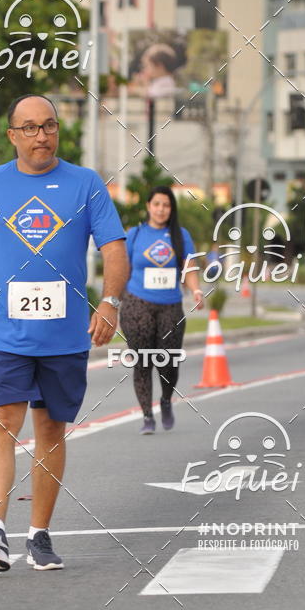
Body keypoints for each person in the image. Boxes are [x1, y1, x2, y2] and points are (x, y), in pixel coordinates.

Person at [0, 94, 128, 572]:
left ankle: (39, 533)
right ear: (12, 135)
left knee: (51, 429)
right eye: (31, 128)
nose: (42, 136)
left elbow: (115, 249)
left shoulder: (86, 184)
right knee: (1, 420)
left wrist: (110, 302)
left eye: (50, 126)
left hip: (64, 336)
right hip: (4, 334)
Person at [119, 186, 204, 434]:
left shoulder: (180, 235)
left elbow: (189, 267)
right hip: (137, 304)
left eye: (166, 205)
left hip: (170, 306)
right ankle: (147, 416)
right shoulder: (135, 235)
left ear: (171, 209)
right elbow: (123, 270)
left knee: (168, 361)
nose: (161, 209)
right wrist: (113, 302)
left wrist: (196, 291)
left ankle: (166, 399)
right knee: (142, 362)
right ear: (148, 206)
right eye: (156, 204)